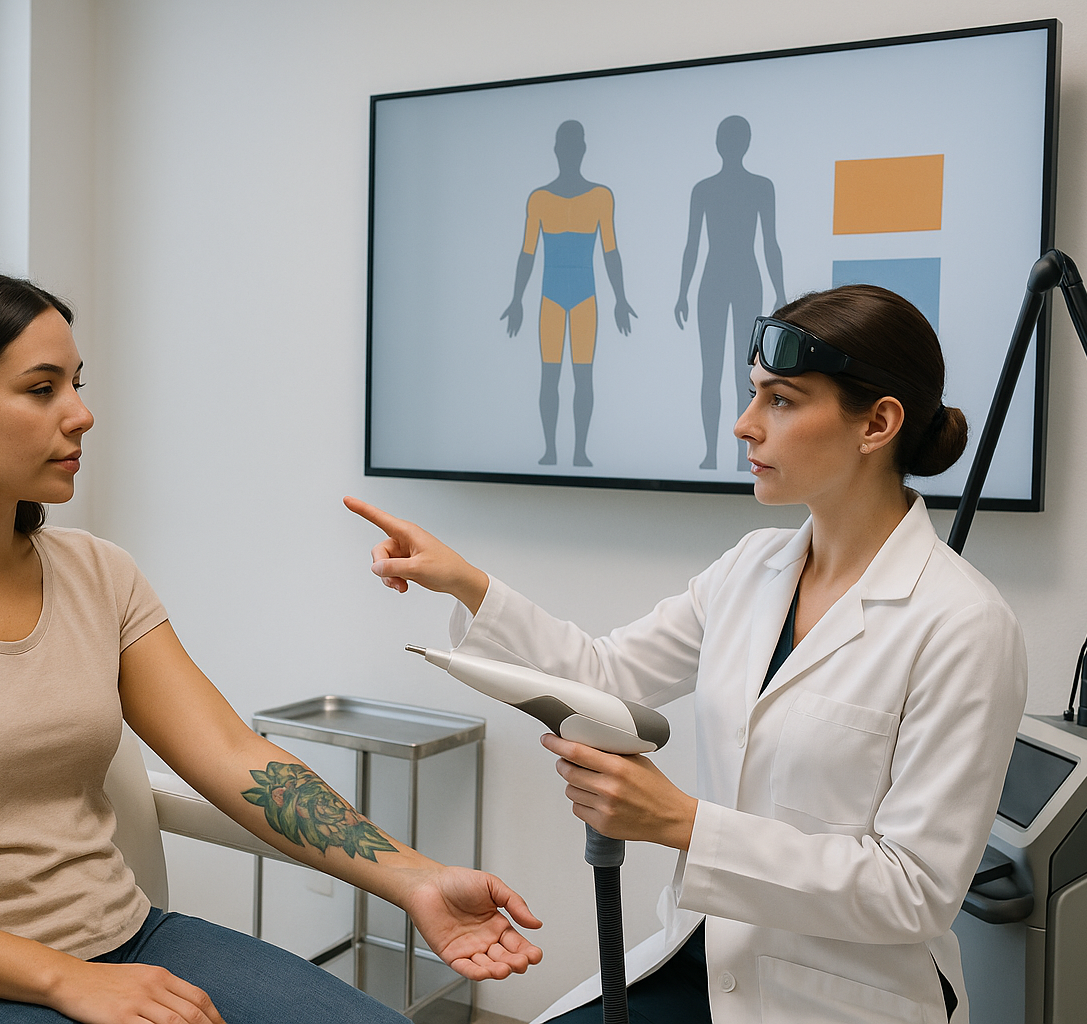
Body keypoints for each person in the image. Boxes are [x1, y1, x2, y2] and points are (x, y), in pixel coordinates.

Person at [0, 266, 542, 1024]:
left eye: (77, 383)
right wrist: (64, 980)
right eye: (41, 389)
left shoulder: (99, 573)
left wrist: (417, 881)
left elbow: (234, 755)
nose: (80, 414)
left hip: (131, 941)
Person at [348, 284, 1027, 1024]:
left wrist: (681, 822)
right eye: (751, 396)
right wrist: (468, 583)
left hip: (837, 999)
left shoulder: (962, 624)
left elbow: (913, 891)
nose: (744, 425)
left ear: (879, 422)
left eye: (782, 401)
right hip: (704, 961)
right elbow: (605, 679)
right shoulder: (751, 569)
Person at [501, 119, 636, 468]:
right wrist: (516, 299)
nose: (570, 152)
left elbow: (611, 251)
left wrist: (620, 298)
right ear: (559, 151)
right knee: (549, 374)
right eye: (566, 146)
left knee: (582, 375)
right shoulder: (540, 199)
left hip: (584, 299)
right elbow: (527, 253)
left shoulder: (600, 197)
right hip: (550, 297)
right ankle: (550, 450)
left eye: (574, 146)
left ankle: (579, 451)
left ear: (581, 151)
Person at [674, 116, 787, 472]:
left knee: (747, 375)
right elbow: (692, 245)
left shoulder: (760, 187)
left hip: (742, 279)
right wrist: (681, 292)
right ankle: (710, 454)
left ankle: (743, 458)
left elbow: (771, 242)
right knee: (713, 369)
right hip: (716, 281)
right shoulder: (704, 189)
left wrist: (782, 292)